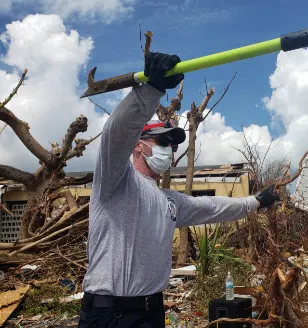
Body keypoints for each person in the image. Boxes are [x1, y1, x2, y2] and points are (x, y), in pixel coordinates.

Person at [78, 52, 280, 327]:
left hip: (152, 312)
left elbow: (213, 207)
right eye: (162, 142)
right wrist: (151, 90)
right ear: (139, 144)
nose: (169, 151)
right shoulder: (115, 179)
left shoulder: (169, 201)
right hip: (110, 314)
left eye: (172, 146)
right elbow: (118, 131)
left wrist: (255, 202)